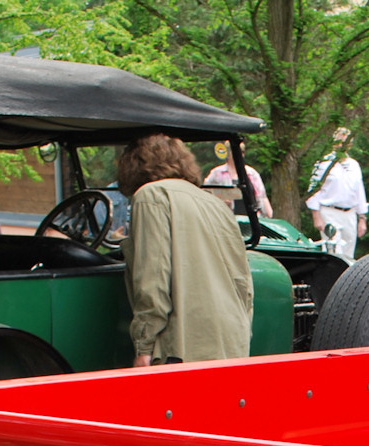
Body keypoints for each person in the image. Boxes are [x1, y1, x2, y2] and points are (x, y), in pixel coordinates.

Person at [116, 134, 253, 368]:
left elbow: (153, 276)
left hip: (183, 344)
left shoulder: (151, 195)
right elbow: (244, 283)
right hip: (231, 341)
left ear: (133, 165)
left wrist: (144, 346)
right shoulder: (213, 203)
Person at [306, 127, 369, 261]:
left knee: (348, 254)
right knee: (334, 251)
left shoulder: (354, 165)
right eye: (339, 142)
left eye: (345, 142)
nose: (341, 145)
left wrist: (362, 218)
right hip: (329, 212)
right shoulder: (323, 164)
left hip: (349, 214)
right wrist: (316, 216)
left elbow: (359, 191)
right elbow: (314, 190)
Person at [203, 142, 273, 218]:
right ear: (228, 153)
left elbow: (262, 196)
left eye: (242, 152)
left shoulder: (251, 173)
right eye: (236, 151)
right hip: (226, 219)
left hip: (251, 221)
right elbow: (205, 194)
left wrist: (270, 216)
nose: (240, 154)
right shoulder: (217, 173)